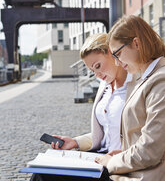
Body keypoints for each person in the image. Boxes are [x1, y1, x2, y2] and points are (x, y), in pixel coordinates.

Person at [30, 33, 132, 181]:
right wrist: (75, 142)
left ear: (112, 52)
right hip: (98, 157)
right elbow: (106, 133)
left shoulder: (137, 85)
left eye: (98, 66)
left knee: (44, 176)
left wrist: (114, 158)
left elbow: (147, 140)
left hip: (118, 165)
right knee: (41, 170)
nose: (97, 74)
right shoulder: (105, 86)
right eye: (92, 71)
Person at [95, 15, 165, 181]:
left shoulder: (160, 81)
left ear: (136, 43)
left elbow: (150, 149)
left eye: (118, 54)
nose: (118, 63)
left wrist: (112, 162)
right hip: (133, 170)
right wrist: (124, 153)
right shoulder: (149, 78)